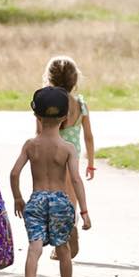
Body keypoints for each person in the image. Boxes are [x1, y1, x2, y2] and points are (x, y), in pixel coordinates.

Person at [10, 86, 91, 277]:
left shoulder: (31, 145)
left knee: (34, 248)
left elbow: (14, 173)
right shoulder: (67, 148)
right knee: (63, 249)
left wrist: (18, 198)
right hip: (60, 202)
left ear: (36, 115)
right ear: (65, 118)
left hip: (36, 200)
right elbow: (75, 179)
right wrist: (84, 211)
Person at [43, 56, 96, 260]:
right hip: (72, 155)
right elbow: (88, 136)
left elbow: (39, 132)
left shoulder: (48, 103)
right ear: (75, 80)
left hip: (52, 154)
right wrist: (91, 163)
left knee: (52, 194)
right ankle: (71, 226)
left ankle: (58, 241)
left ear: (50, 79)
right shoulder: (80, 104)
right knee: (70, 194)